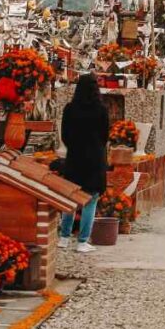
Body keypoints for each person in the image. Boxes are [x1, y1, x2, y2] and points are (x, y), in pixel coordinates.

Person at [59, 74, 109, 253]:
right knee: (91, 199)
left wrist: (74, 146)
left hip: (75, 157)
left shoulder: (70, 109)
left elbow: (64, 134)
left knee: (70, 197)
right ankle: (82, 241)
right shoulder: (101, 109)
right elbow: (105, 135)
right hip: (94, 159)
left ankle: (64, 237)